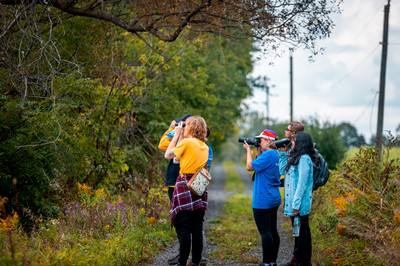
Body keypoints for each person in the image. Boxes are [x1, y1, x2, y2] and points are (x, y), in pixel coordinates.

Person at [165, 116, 209, 266]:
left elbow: (168, 156)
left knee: (184, 227)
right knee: (197, 226)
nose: (183, 126)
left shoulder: (186, 142)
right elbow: (178, 160)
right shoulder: (203, 145)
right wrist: (182, 136)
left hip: (185, 185)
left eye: (186, 125)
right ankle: (196, 262)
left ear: (191, 127)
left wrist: (177, 134)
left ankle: (182, 261)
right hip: (198, 185)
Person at [242, 129, 281, 266]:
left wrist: (248, 151)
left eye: (261, 140)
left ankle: (266, 262)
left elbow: (249, 167)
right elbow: (261, 166)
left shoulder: (268, 154)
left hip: (263, 199)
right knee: (272, 230)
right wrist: (258, 152)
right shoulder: (275, 154)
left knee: (265, 232)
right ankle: (272, 261)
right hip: (274, 197)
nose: (259, 142)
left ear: (268, 141)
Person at [282, 131, 318, 266]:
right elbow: (281, 169)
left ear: (301, 143)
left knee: (301, 234)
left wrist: (296, 204)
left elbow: (302, 184)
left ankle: (301, 261)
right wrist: (285, 152)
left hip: (299, 204)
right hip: (295, 203)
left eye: (294, 140)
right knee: (300, 232)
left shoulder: (304, 159)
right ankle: (299, 260)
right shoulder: (297, 157)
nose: (292, 142)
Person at [278, 121, 304, 186]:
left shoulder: (301, 151)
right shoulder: (290, 148)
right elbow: (283, 171)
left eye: (287, 130)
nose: (285, 131)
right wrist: (284, 152)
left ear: (292, 133)